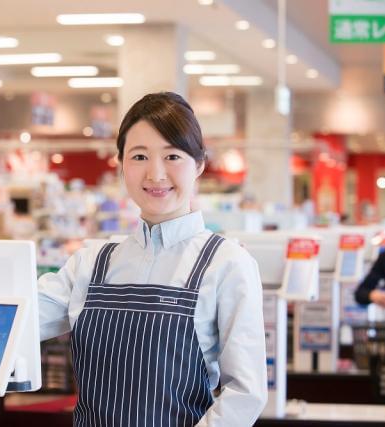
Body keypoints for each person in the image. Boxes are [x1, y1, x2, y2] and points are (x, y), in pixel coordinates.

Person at [38, 92, 267, 426]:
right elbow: (21, 319)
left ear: (199, 164)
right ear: (121, 164)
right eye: (140, 156)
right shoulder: (91, 263)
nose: (155, 175)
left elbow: (246, 392)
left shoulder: (226, 264)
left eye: (172, 156)